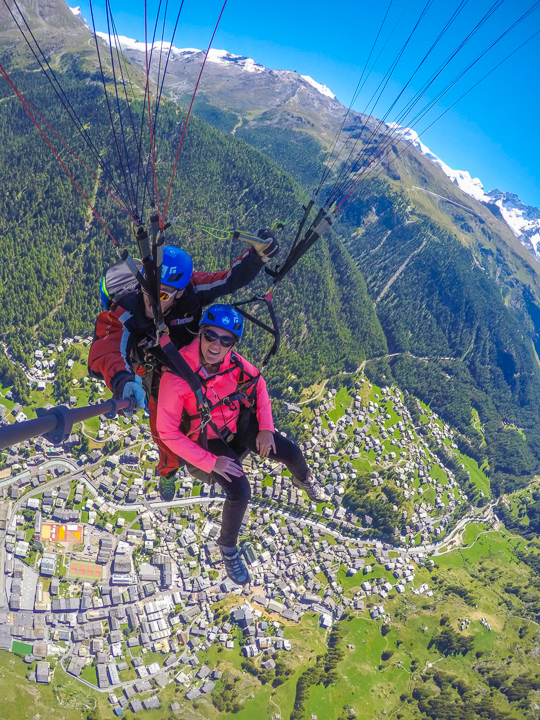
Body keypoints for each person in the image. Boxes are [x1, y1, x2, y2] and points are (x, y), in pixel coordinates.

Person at [156, 304, 324, 585]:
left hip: (237, 423)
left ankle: (304, 480)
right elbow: (167, 432)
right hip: (208, 437)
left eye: (226, 341)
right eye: (210, 336)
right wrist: (211, 462)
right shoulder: (177, 376)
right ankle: (228, 548)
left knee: (291, 451)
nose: (215, 345)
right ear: (200, 334)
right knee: (239, 490)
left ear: (233, 345)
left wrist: (267, 428)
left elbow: (258, 383)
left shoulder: (233, 362)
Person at [88, 232, 278, 480]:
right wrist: (122, 380)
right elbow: (108, 347)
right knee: (163, 430)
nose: (152, 299)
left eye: (164, 294)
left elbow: (226, 281)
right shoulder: (127, 309)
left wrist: (257, 256)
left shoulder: (191, 291)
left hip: (190, 360)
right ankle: (167, 472)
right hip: (156, 370)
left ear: (179, 292)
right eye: (148, 288)